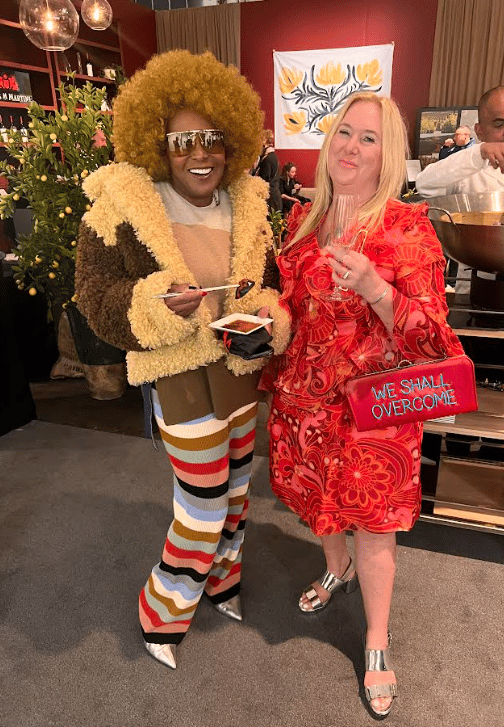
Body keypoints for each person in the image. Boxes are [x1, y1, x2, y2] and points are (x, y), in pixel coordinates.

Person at [74, 50, 291, 670]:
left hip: (239, 370)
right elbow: (94, 295)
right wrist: (155, 302)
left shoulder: (248, 202)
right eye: (182, 141)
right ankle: (161, 612)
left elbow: (269, 284)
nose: (201, 154)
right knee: (202, 507)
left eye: (212, 138)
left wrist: (266, 315)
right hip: (177, 378)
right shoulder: (122, 205)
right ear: (158, 145)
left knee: (239, 494)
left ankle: (223, 583)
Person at [263, 92, 464, 719]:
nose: (351, 147)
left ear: (388, 154)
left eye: (368, 138)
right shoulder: (303, 220)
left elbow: (434, 339)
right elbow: (290, 310)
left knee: (376, 527)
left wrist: (377, 288)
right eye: (344, 132)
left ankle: (376, 640)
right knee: (318, 506)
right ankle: (336, 569)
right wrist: (259, 323)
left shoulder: (407, 227)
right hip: (305, 403)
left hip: (375, 412)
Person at [416, 86, 504, 197]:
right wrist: (480, 152)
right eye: (499, 125)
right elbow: (423, 184)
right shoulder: (464, 167)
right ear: (479, 131)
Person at [253, 129, 283, 212]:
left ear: (264, 141)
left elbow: (263, 181)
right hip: (275, 198)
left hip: (270, 200)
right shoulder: (273, 157)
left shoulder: (267, 159)